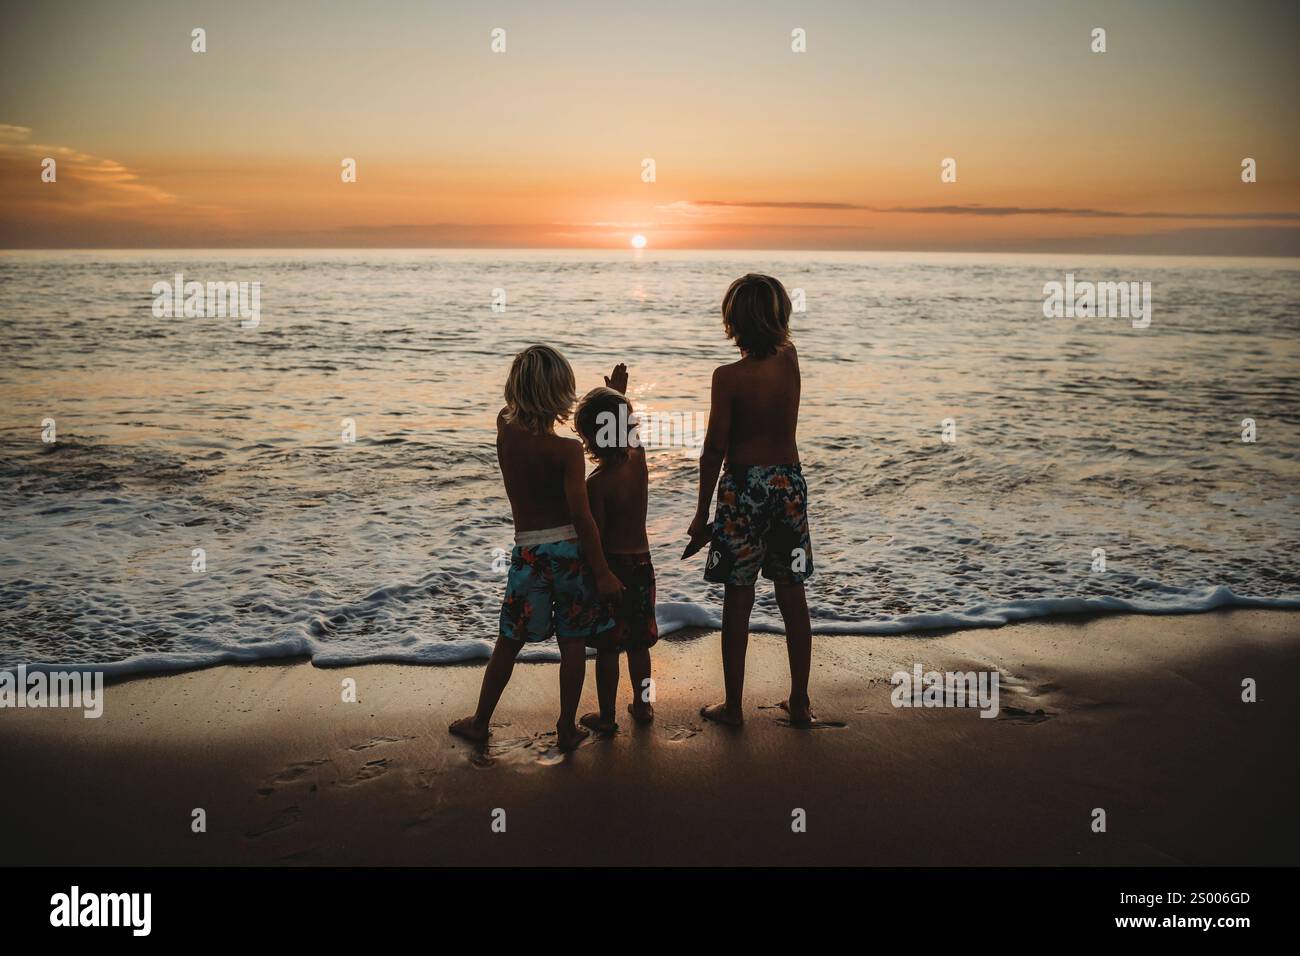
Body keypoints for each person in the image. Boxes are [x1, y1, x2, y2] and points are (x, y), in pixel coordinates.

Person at [450, 345, 623, 751]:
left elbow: (512, 417)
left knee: (509, 640)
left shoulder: (504, 430)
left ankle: (480, 721)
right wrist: (601, 571)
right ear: (561, 394)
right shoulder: (567, 450)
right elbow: (582, 519)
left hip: (528, 552)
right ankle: (566, 726)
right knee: (574, 643)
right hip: (569, 554)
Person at [684, 274, 815, 727]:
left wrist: (701, 515)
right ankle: (799, 702)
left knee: (738, 599)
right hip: (788, 485)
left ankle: (734, 707)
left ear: (732, 322)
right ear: (781, 317)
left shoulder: (728, 378)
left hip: (743, 490)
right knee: (791, 595)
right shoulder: (790, 359)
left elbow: (714, 449)